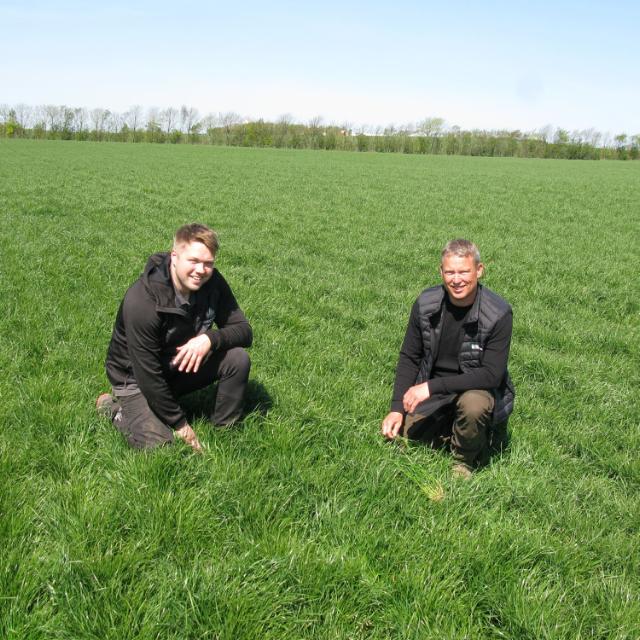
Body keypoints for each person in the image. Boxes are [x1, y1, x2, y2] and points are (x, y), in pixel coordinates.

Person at [97, 223, 252, 451]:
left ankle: (226, 432)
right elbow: (148, 375)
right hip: (135, 380)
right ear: (175, 257)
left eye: (208, 263)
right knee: (161, 446)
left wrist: (209, 339)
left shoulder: (212, 283)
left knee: (237, 359)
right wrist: (181, 425)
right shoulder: (142, 301)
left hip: (175, 367)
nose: (201, 270)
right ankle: (113, 409)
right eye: (194, 261)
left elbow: (244, 330)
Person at [381, 239, 514, 478]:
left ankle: (464, 461)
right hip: (436, 392)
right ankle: (456, 430)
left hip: (475, 389)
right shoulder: (425, 303)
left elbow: (491, 375)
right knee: (404, 435)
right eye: (450, 272)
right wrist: (397, 409)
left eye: (464, 271)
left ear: (479, 270)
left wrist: (430, 387)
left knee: (474, 406)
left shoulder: (499, 313)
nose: (456, 279)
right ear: (441, 271)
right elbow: (410, 356)